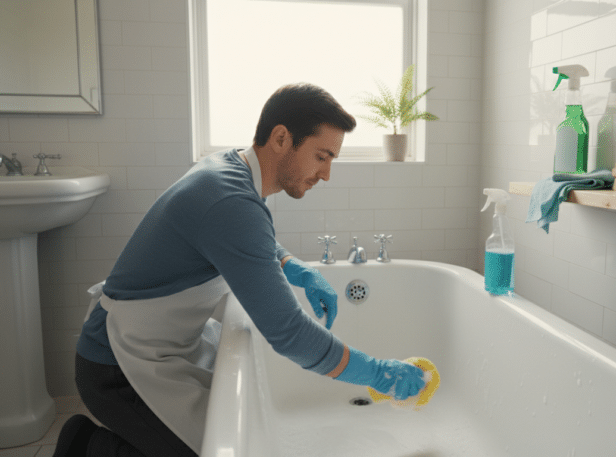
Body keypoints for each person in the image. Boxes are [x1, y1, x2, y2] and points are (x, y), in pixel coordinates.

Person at [53, 83, 425, 457]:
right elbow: (290, 335)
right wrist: (378, 373)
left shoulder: (228, 169)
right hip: (115, 367)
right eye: (322, 156)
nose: (326, 174)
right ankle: (86, 445)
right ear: (281, 137)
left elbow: (240, 236)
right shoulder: (231, 200)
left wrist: (292, 265)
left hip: (154, 344)